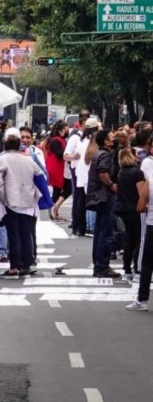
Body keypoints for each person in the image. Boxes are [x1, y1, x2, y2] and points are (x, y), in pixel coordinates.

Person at [0, 135, 43, 279]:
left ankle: (14, 266)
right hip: (28, 199)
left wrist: (3, 197)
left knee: (13, 235)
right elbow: (40, 175)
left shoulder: (2, 159)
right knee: (26, 234)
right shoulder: (28, 159)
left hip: (11, 200)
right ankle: (26, 265)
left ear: (5, 145)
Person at [85, 130, 120, 278]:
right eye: (112, 137)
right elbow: (103, 172)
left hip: (98, 197)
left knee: (100, 231)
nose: (115, 139)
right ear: (106, 141)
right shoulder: (105, 155)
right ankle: (102, 266)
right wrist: (111, 184)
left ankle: (99, 264)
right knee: (106, 232)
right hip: (104, 197)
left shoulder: (98, 153)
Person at [116, 147, 147, 283]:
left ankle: (127, 269)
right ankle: (138, 268)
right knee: (140, 239)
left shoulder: (121, 172)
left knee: (130, 239)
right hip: (136, 208)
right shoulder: (137, 173)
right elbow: (142, 193)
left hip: (124, 208)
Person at [126, 164, 153, 311]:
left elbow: (140, 207)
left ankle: (142, 299)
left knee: (147, 263)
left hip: (152, 225)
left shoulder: (150, 181)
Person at [45, 121, 71, 220]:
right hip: (55, 167)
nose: (67, 131)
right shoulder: (56, 140)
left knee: (63, 188)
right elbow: (60, 154)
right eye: (66, 130)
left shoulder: (60, 140)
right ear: (61, 130)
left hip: (59, 167)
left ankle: (54, 208)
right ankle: (54, 208)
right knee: (59, 188)